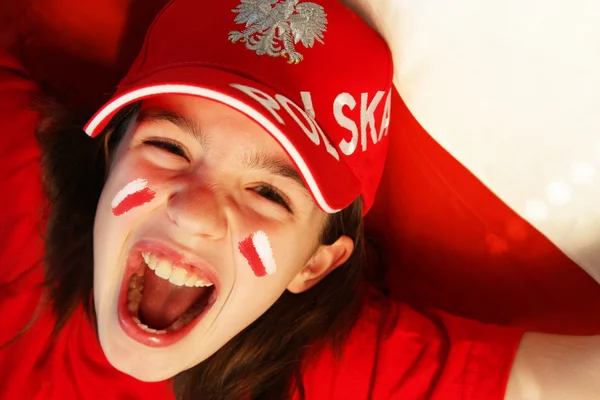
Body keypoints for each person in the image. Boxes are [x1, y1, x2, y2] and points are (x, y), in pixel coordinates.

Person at [1, 0, 600, 399]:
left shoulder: (324, 371)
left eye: (268, 193)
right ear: (111, 155)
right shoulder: (18, 184)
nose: (193, 212)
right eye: (170, 147)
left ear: (315, 264)